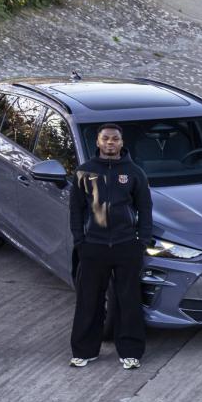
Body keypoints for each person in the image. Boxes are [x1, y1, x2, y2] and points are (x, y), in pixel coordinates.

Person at [68, 123, 152, 370]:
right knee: (88, 300)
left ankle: (131, 352)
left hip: (127, 246)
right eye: (105, 138)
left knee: (128, 300)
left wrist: (141, 242)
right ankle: (84, 351)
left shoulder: (135, 173)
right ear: (98, 142)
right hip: (93, 246)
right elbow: (76, 210)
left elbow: (145, 209)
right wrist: (79, 241)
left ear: (121, 143)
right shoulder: (84, 172)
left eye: (115, 139)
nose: (110, 143)